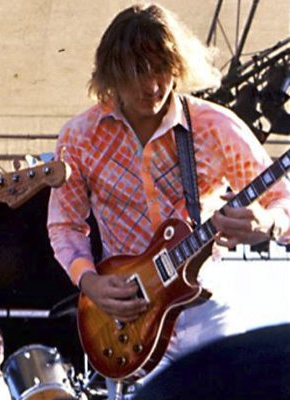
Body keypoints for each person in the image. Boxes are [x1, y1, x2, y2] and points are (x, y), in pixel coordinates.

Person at [47, 3, 290, 399]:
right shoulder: (80, 136)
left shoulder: (215, 125)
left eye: (161, 69)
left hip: (205, 307)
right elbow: (65, 223)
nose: (152, 85)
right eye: (136, 73)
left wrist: (270, 223)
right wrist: (89, 282)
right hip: (128, 317)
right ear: (112, 75)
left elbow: (282, 197)